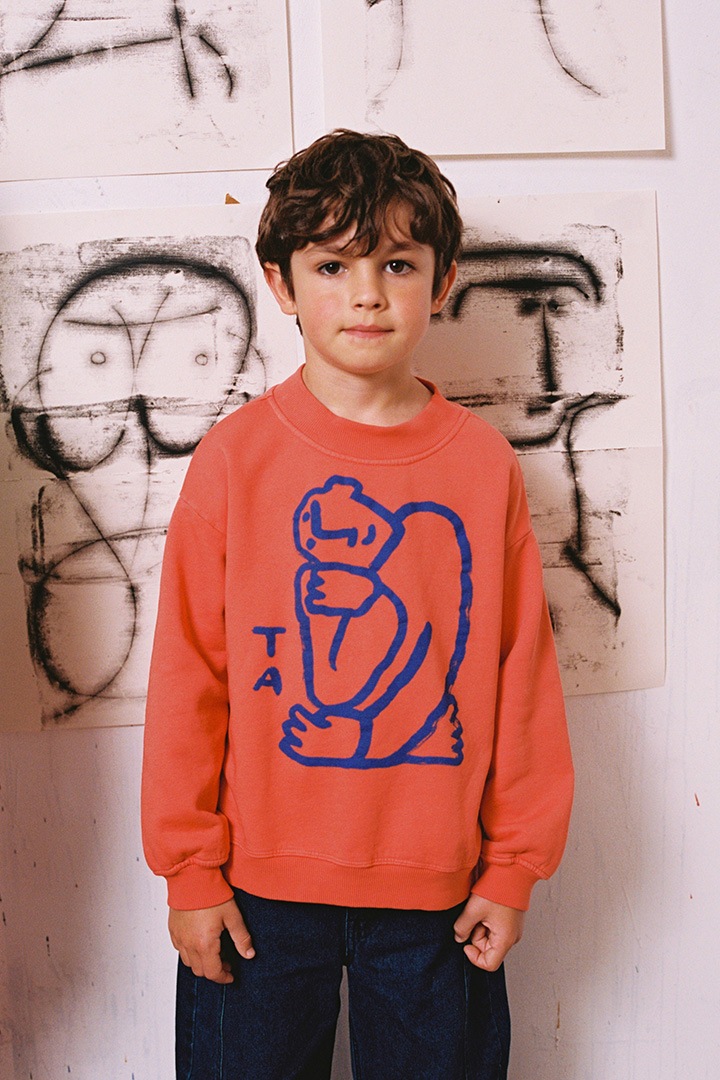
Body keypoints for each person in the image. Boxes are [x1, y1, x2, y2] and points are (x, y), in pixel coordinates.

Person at [141, 129, 574, 1080]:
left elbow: (521, 676)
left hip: (438, 895)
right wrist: (190, 870)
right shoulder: (235, 461)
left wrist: (513, 867)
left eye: (397, 264)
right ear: (282, 284)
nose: (367, 294)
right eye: (332, 266)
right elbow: (187, 674)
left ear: (443, 279)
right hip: (255, 895)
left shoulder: (482, 467)